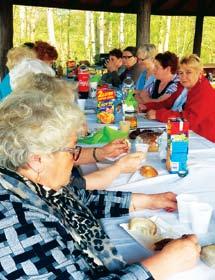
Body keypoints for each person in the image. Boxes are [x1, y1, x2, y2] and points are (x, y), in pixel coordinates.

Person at [0, 90, 200, 279]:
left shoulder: (31, 182)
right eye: (71, 151)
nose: (76, 158)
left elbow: (78, 199)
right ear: (37, 159)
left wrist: (147, 201)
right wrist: (164, 264)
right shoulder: (17, 225)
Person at [14, 73, 138, 190]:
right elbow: (76, 188)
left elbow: (66, 153)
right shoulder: (33, 172)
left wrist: (102, 152)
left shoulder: (22, 135)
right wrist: (118, 168)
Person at [146, 54, 215, 142]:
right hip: (192, 135)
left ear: (200, 74)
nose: (183, 76)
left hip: (207, 142)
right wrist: (146, 106)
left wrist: (158, 114)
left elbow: (190, 120)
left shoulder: (204, 92)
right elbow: (167, 103)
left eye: (188, 72)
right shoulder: (184, 87)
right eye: (181, 73)